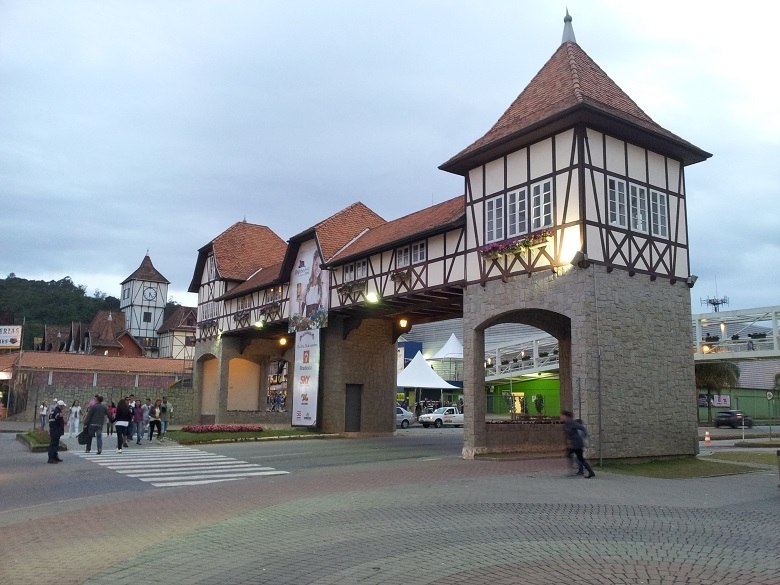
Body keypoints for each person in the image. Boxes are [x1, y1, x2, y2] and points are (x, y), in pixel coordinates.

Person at [561, 410, 594, 478]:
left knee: (578, 458)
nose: (561, 417)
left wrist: (584, 436)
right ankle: (590, 472)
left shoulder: (572, 423)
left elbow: (582, 428)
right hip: (573, 444)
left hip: (577, 443)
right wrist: (566, 443)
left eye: (562, 416)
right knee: (576, 457)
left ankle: (587, 471)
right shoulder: (566, 424)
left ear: (566, 416)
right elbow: (566, 435)